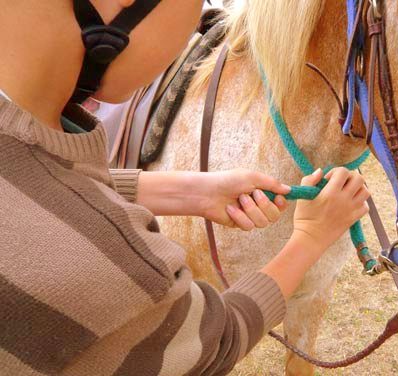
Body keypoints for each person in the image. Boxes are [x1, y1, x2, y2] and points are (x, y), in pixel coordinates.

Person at [0, 1, 371, 375]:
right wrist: (310, 237)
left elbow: (49, 182)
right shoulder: (115, 265)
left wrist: (188, 191)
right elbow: (215, 342)